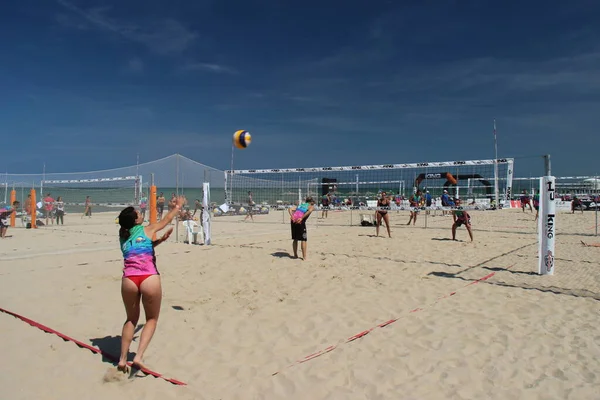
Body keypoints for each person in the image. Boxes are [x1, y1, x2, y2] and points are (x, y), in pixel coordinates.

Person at [116, 195, 184, 373]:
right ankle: (137, 357)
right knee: (151, 319)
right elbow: (167, 219)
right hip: (149, 277)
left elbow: (141, 248)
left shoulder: (123, 235)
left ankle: (122, 359)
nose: (140, 214)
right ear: (135, 220)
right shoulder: (147, 228)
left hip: (129, 279)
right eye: (138, 213)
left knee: (131, 319)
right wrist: (177, 206)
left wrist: (160, 241)